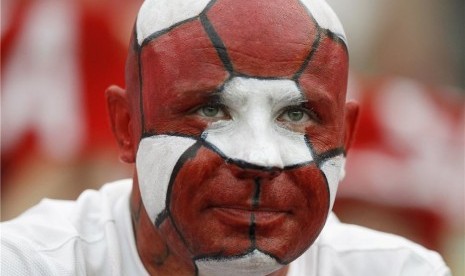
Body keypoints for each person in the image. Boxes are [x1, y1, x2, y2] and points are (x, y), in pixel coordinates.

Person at [1, 0, 451, 275]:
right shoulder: (30, 264)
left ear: (346, 137)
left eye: (295, 114)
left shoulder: (399, 271)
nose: (258, 158)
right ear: (125, 125)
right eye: (211, 110)